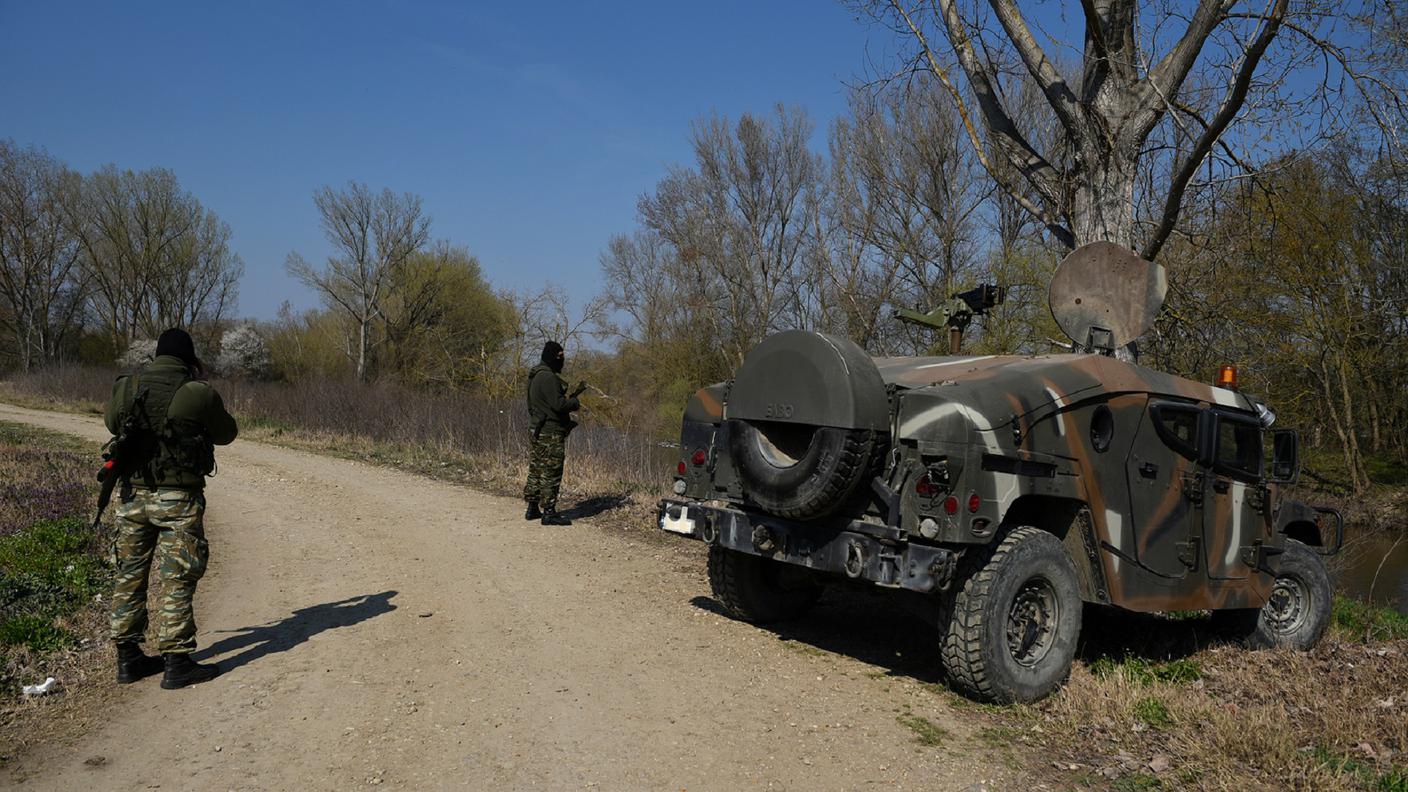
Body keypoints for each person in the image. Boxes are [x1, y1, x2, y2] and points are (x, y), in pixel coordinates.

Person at [104, 328, 238, 689]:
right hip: (177, 498)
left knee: (129, 574)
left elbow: (111, 423)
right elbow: (227, 433)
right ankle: (176, 662)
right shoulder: (196, 392)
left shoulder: (127, 387)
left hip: (132, 496)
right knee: (177, 576)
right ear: (189, 359)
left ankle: (128, 659)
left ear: (156, 356)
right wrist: (202, 385)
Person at [523, 340, 585, 526]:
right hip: (550, 432)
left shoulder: (534, 375)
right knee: (551, 471)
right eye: (561, 356)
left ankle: (532, 507)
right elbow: (558, 405)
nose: (563, 360)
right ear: (553, 357)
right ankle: (549, 512)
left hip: (537, 428)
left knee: (537, 469)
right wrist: (574, 403)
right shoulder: (549, 378)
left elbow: (532, 405)